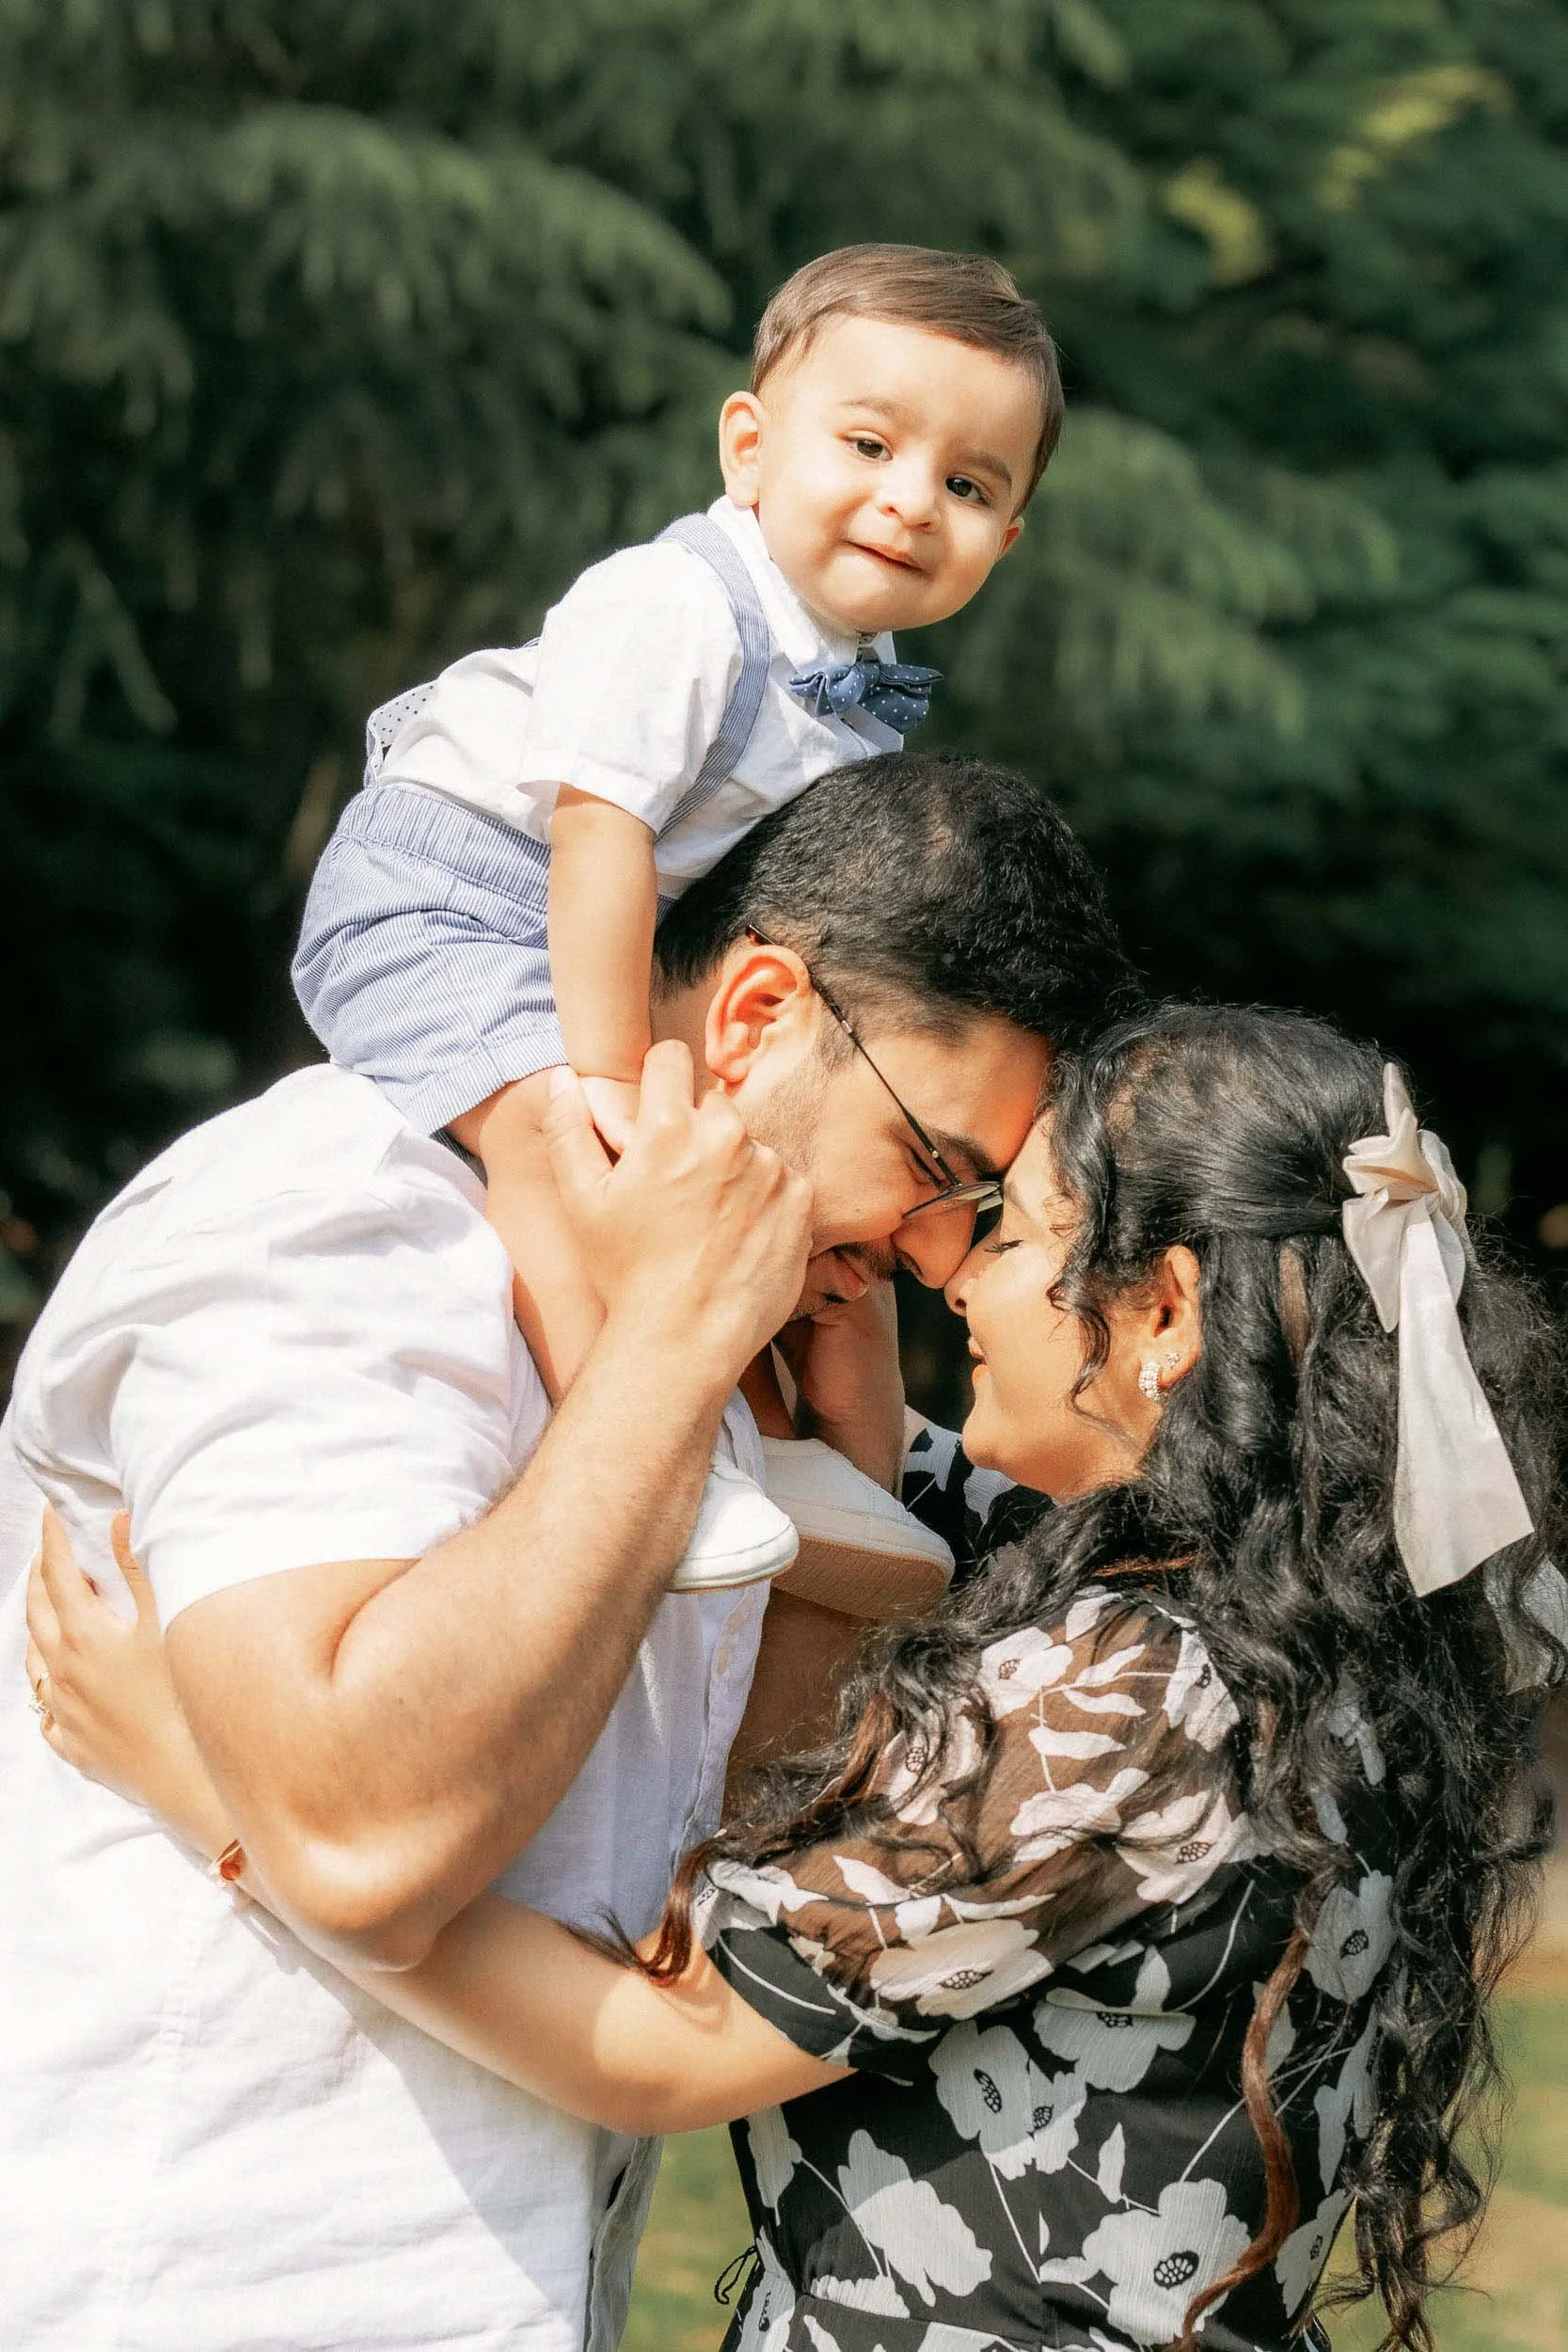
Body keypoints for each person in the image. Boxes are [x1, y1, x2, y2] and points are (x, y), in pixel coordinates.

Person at [28, 1005, 1565, 2350]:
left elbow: (661, 2043)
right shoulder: (1301, 1615)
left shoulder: (1142, 1697)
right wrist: (843, 1387)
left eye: (1006, 1229)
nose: (937, 1263)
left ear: (1160, 1311)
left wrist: (212, 1790)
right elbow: (904, 1520)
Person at [0, 750, 1131, 2352]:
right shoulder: (335, 1223)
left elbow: (724, 1868)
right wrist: (668, 1354)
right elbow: (364, 1842)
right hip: (200, 2277)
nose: (927, 1252)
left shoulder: (748, 1326)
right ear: (754, 1017)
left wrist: (838, 1467)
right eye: (933, 1169)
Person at [293, 242, 1061, 1591]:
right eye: (870, 444)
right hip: (451, 894)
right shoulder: (676, 606)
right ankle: (642, 1455)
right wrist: (604, 1082)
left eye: (965, 484)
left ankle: (805, 1454)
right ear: (748, 448)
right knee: (558, 1145)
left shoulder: (847, 686)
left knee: (730, 1174)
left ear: (1004, 539)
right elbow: (599, 836)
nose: (909, 502)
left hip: (605, 945)